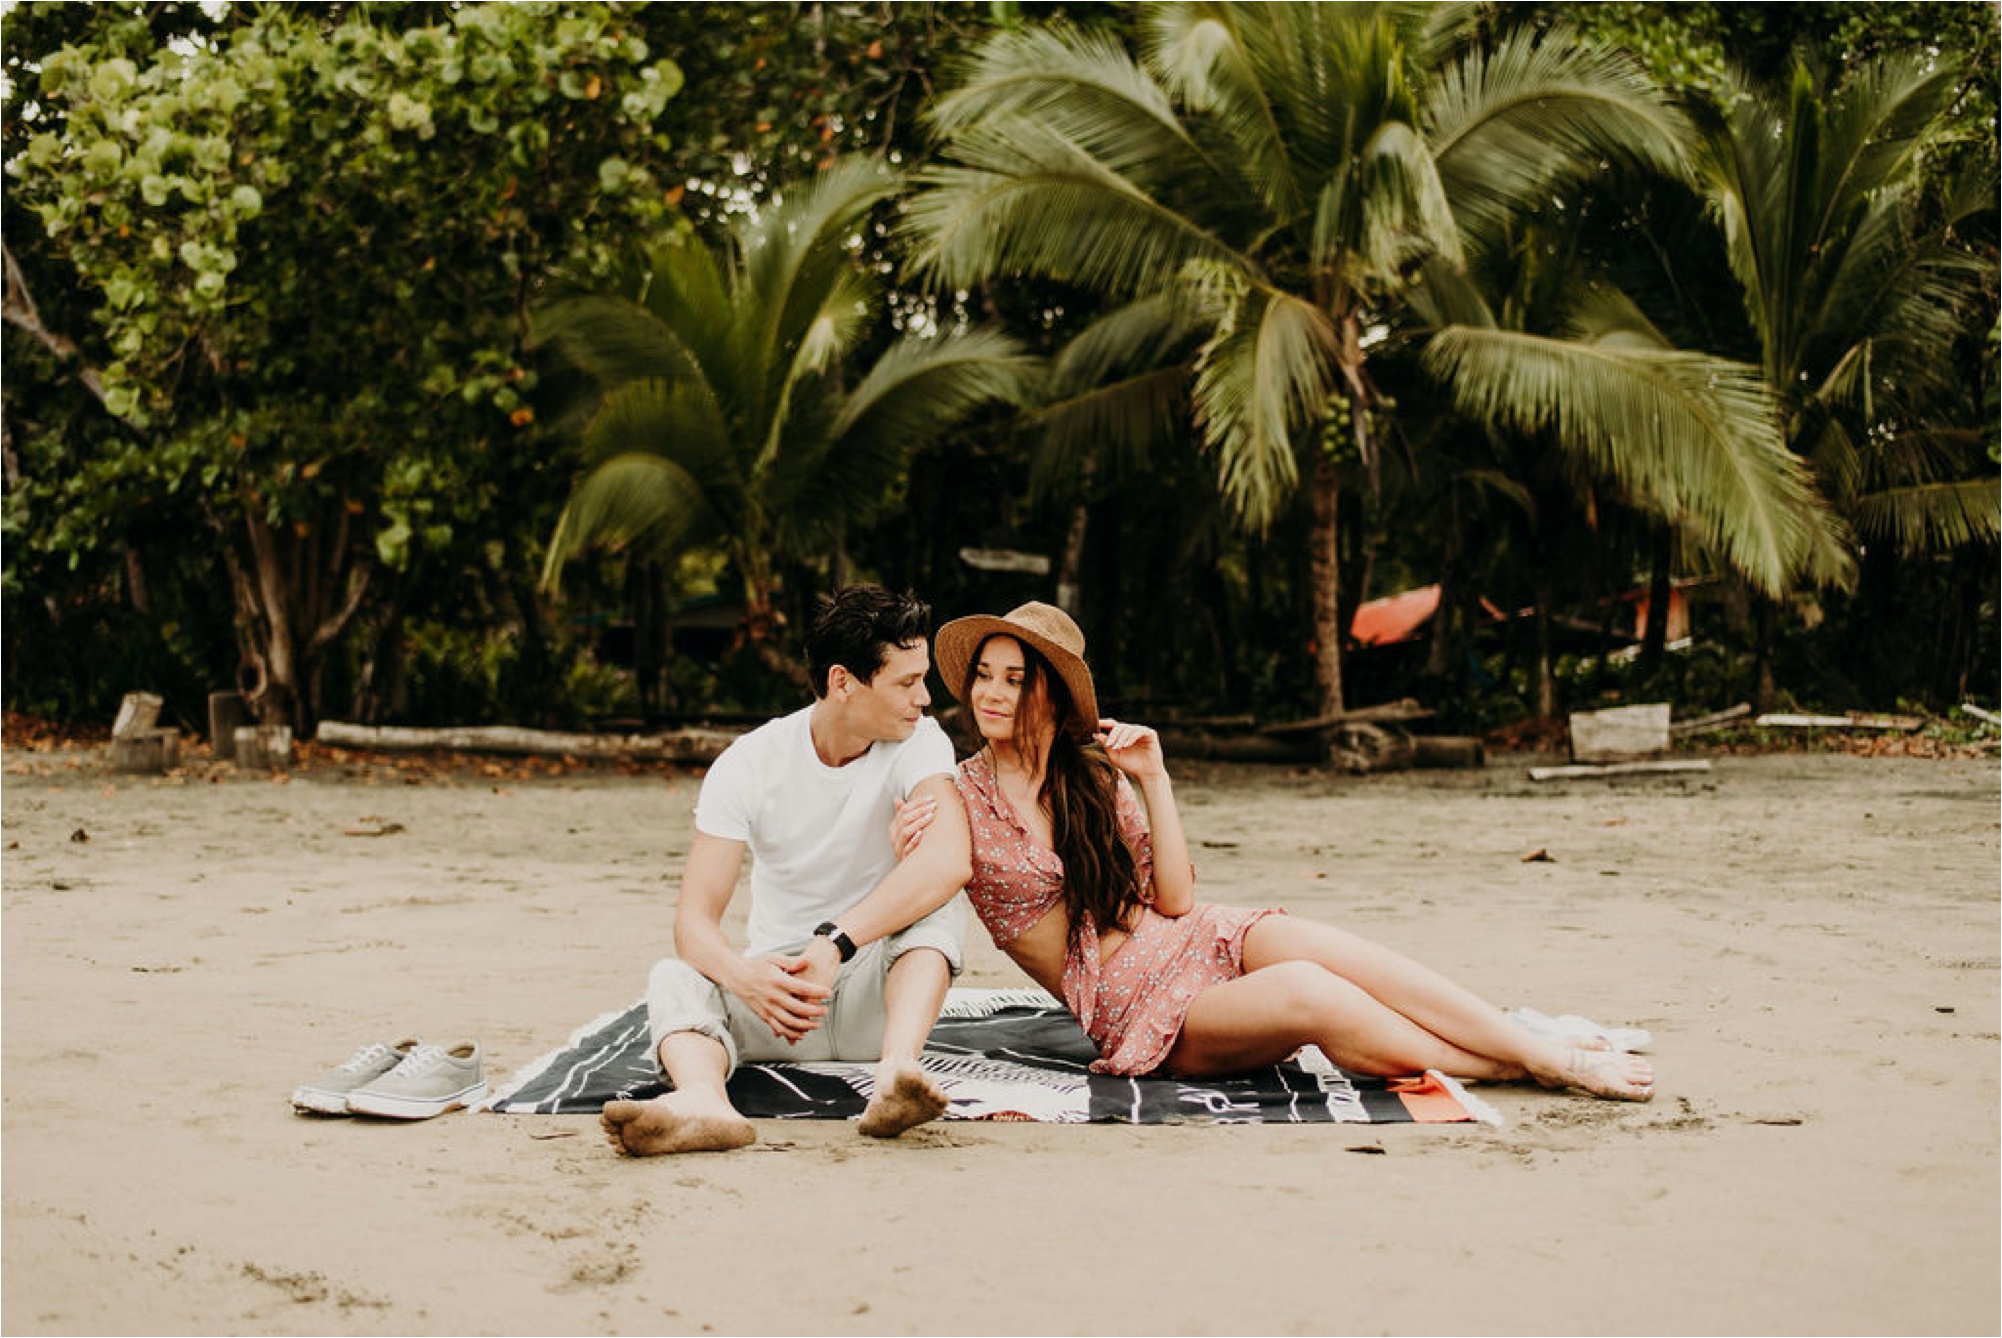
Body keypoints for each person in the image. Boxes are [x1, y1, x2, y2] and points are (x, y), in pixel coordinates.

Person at [893, 600, 1654, 1102]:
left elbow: (1177, 902)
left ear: (1051, 696)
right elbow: (916, 856)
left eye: (1014, 679)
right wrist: (897, 838)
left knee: (1322, 945)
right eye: (985, 676)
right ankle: (1529, 1059)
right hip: (1133, 1009)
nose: (991, 693)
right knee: (1308, 990)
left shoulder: (1093, 782)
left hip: (1189, 938)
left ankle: (1522, 1043)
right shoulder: (958, 797)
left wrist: (1155, 780)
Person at [601, 585, 974, 1156]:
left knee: (938, 903)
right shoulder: (751, 763)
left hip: (874, 1001)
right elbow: (693, 923)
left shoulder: (920, 743)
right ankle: (704, 1102)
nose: (924, 697)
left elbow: (949, 859)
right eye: (905, 682)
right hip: (778, 1004)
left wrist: (836, 943)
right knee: (673, 975)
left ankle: (896, 1077)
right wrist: (743, 976)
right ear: (843, 682)